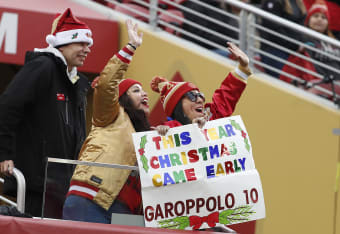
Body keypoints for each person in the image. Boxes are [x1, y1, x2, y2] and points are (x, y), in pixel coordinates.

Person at [0, 8, 92, 217]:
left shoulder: (79, 82)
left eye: (88, 45)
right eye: (81, 43)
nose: (87, 49)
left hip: (62, 185)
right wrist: (4, 154)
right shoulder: (43, 67)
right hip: (38, 181)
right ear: (62, 43)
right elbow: (7, 106)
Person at [62, 20, 150, 224]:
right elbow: (107, 83)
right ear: (121, 98)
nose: (144, 93)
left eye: (144, 90)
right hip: (92, 199)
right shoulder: (110, 114)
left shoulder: (147, 133)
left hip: (127, 211)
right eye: (136, 90)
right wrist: (131, 48)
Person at [151, 42, 251, 129]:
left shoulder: (210, 119)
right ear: (177, 106)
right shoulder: (168, 131)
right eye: (192, 96)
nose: (200, 100)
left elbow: (226, 98)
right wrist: (164, 134)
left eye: (200, 95)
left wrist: (242, 68)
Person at [279, 0, 340, 99]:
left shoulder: (334, 42)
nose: (319, 20)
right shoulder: (303, 38)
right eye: (315, 16)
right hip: (319, 84)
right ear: (308, 20)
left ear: (328, 23)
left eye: (323, 17)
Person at [260, 0, 306, 78]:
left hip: (293, 52)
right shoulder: (273, 2)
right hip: (274, 51)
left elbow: (300, 30)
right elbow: (274, 29)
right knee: (289, 81)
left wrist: (301, 43)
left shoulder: (299, 3)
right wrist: (296, 45)